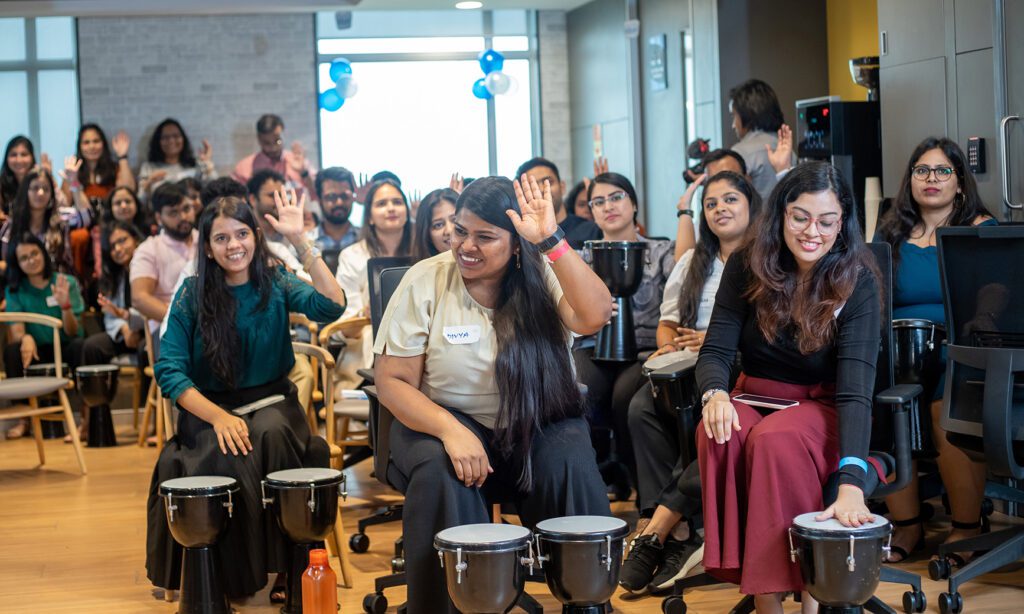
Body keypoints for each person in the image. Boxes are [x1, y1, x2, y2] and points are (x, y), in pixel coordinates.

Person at [373, 175, 613, 613]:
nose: (466, 245)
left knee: (571, 460)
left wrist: (551, 240)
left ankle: (585, 602)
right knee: (443, 472)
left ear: (516, 243)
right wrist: (449, 430)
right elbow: (391, 382)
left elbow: (595, 315)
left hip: (537, 419)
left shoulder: (544, 271)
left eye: (485, 237)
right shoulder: (426, 280)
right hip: (445, 419)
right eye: (460, 230)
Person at [696, 162, 881, 613]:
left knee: (775, 441)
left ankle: (809, 596)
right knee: (720, 430)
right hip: (753, 394)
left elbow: (856, 391)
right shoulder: (746, 264)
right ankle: (765, 601)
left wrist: (852, 481)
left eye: (826, 220)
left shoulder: (858, 280)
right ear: (780, 214)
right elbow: (715, 351)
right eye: (800, 216)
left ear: (843, 223)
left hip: (819, 404)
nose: (811, 231)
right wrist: (714, 394)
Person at [146, 191, 345, 601]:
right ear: (207, 247)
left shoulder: (275, 280)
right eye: (221, 239)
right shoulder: (190, 294)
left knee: (272, 435)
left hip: (273, 401)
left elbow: (332, 306)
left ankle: (293, 567)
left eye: (241, 234)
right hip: (210, 407)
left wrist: (300, 241)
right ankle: (222, 578)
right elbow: (169, 370)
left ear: (255, 236)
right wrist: (218, 417)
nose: (233, 246)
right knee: (222, 449)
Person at [621, 171, 761, 594]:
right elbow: (667, 325)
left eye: (730, 200)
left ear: (752, 206)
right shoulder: (692, 261)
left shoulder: (765, 257)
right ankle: (673, 530)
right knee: (641, 406)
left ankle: (660, 529)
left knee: (706, 420)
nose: (720, 208)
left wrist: (712, 342)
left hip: (736, 363)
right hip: (688, 362)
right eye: (712, 203)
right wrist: (669, 347)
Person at [874, 137, 995, 568]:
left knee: (945, 410)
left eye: (943, 171)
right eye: (922, 171)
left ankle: (966, 528)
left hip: (959, 351)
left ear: (960, 182)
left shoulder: (980, 228)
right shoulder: (889, 231)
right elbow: (873, 292)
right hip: (900, 350)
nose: (931, 179)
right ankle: (907, 522)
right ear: (910, 181)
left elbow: (997, 292)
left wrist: (978, 320)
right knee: (887, 405)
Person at [572, 172, 676, 492]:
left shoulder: (660, 251)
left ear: (633, 203)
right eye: (598, 202)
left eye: (616, 197)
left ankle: (639, 485)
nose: (608, 206)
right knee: (581, 391)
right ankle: (592, 483)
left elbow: (678, 299)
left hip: (646, 347)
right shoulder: (580, 257)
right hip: (592, 342)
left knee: (624, 398)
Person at [3, 233, 86, 439]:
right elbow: (17, 328)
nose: (31, 261)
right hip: (36, 350)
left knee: (82, 346)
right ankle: (24, 419)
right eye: (24, 258)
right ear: (17, 263)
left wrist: (65, 305)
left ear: (43, 253)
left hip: (65, 345)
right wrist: (26, 338)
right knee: (12, 350)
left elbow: (73, 331)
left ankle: (85, 421)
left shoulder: (66, 282)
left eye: (34, 254)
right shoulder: (14, 290)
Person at [129, 182, 197, 335]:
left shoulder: (208, 242)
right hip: (167, 327)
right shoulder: (149, 249)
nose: (183, 217)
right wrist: (183, 320)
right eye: (173, 213)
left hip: (209, 325)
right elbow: (139, 298)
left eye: (186, 209)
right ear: (159, 218)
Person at [673, 149, 749, 261]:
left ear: (747, 179)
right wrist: (685, 210)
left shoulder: (768, 220)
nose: (721, 185)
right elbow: (683, 266)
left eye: (730, 177)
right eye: (714, 180)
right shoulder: (707, 223)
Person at [727, 79, 794, 201]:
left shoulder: (740, 153)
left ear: (747, 114)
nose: (733, 125)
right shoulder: (788, 150)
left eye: (734, 116)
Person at [516, 157, 601, 249]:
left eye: (548, 182)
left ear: (562, 187)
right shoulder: (522, 237)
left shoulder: (590, 229)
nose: (541, 189)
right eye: (532, 186)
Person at [0, 167, 73, 274]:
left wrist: (74, 182)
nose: (41, 193)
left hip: (56, 282)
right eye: (35, 188)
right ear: (25, 192)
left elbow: (88, 215)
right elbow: (5, 262)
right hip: (20, 284)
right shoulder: (11, 226)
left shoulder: (61, 221)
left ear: (52, 195)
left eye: (46, 189)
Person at [232, 114, 316, 198]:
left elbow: (317, 193)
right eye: (267, 143)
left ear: (284, 135)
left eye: (277, 141)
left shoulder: (298, 161)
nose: (273, 148)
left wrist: (303, 172)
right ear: (259, 139)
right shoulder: (244, 168)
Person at [246, 169, 306, 276]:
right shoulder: (246, 236)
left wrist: (300, 238)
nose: (280, 200)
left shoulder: (292, 229)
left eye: (282, 195)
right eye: (272, 195)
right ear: (253, 199)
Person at [138, 118, 216, 199]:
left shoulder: (195, 164)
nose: (171, 141)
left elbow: (213, 189)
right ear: (158, 141)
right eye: (165, 137)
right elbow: (141, 201)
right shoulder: (148, 167)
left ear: (183, 139)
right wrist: (149, 182)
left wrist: (206, 162)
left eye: (176, 136)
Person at [309, 166, 360, 268]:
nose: (339, 202)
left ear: (353, 197)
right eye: (331, 197)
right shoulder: (306, 243)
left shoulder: (366, 239)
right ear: (319, 199)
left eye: (345, 196)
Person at [411, 187, 458, 262]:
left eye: (455, 220)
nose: (449, 230)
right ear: (427, 235)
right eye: (438, 225)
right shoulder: (419, 272)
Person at [1, 136, 43, 218]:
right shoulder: (2, 184)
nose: (18, 160)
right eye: (13, 155)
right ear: (6, 158)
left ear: (32, 157)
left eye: (24, 154)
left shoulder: (41, 180)